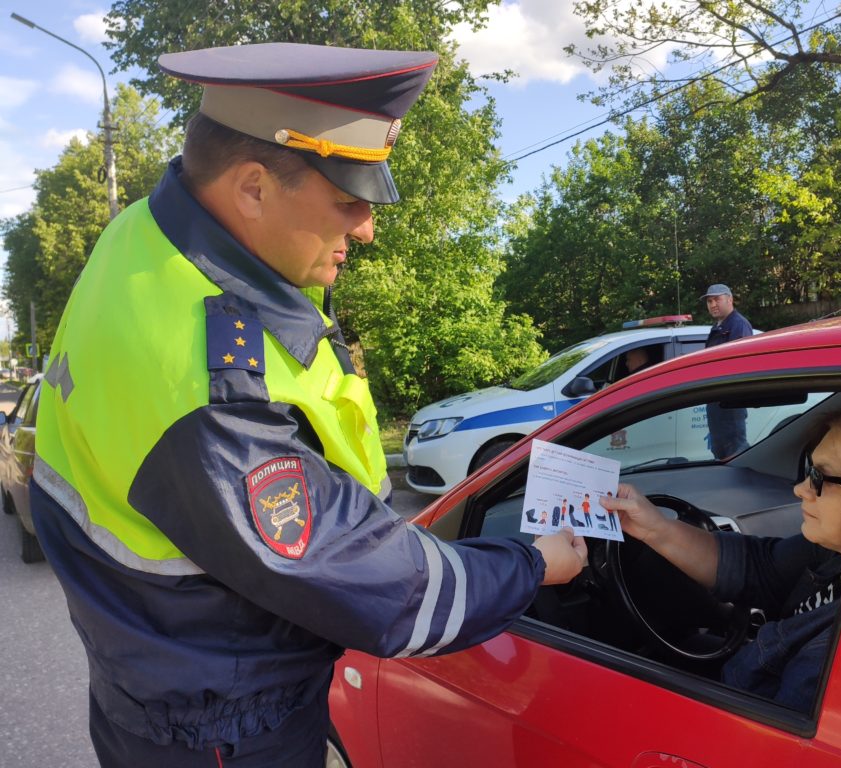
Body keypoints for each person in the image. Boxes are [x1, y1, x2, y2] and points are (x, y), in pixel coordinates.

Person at [30, 42, 586, 767]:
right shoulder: (211, 386)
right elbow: (383, 594)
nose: (366, 228)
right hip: (225, 727)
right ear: (252, 188)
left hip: (157, 677)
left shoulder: (142, 237)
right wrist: (535, 563)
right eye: (348, 199)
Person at [600, 401, 841, 712]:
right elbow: (759, 567)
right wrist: (654, 528)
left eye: (821, 478)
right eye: (808, 470)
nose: (800, 489)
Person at [701, 284, 754, 458]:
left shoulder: (738, 325)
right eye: (709, 301)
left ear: (730, 299)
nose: (713, 304)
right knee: (722, 453)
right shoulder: (718, 326)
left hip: (731, 404)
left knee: (735, 454)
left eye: (717, 299)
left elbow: (741, 366)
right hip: (718, 403)